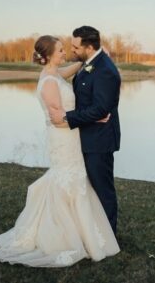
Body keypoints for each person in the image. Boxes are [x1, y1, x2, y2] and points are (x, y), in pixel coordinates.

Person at [0, 35, 120, 267]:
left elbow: (70, 70)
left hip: (71, 135)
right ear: (49, 55)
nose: (65, 53)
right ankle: (61, 235)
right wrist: (96, 119)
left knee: (76, 181)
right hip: (63, 138)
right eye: (61, 50)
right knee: (67, 181)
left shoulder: (54, 74)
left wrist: (91, 57)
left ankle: (83, 231)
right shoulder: (49, 82)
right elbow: (58, 120)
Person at [49, 26, 121, 236]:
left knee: (103, 190)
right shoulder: (90, 62)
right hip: (87, 136)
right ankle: (92, 231)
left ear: (89, 47)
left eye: (75, 46)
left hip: (99, 140)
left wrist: (67, 117)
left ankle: (108, 236)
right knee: (90, 189)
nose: (72, 49)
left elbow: (101, 109)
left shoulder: (105, 70)